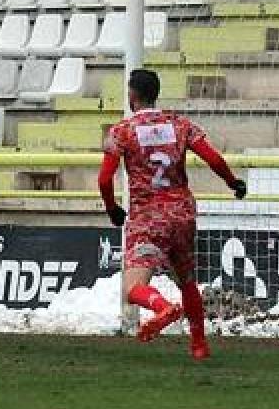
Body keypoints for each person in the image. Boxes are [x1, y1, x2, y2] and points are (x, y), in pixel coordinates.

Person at [96, 69, 247, 360]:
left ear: (132, 95)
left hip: (148, 216)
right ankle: (199, 346)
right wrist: (233, 182)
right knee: (187, 280)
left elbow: (104, 180)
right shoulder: (179, 124)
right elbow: (212, 157)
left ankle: (162, 307)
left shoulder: (122, 131)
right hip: (182, 213)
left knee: (132, 287)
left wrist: (113, 209)